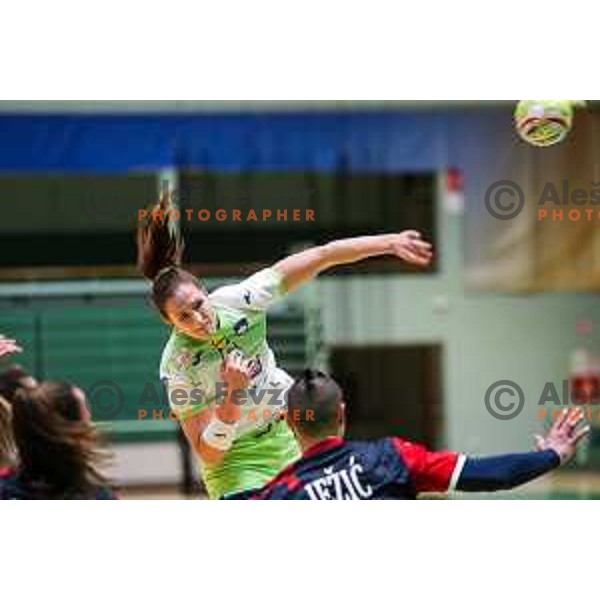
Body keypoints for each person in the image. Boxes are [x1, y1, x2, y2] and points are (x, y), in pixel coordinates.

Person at [137, 194, 433, 499]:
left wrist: (390, 242)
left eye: (199, 304)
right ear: (169, 322)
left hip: (287, 435)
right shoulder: (178, 364)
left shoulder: (242, 300)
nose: (198, 319)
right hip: (235, 462)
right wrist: (232, 396)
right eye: (184, 317)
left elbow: (323, 255)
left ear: (204, 291)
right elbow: (207, 453)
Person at [233, 370, 589, 499]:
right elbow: (490, 475)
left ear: (289, 422)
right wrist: (552, 454)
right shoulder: (392, 458)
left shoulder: (278, 494)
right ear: (342, 413)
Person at [0, 382, 117, 500]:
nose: (91, 423)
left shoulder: (6, 490)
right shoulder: (98, 496)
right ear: (75, 433)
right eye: (86, 410)